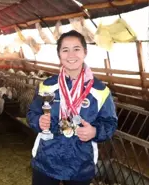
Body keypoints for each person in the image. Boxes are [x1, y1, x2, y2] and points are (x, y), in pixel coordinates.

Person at [27, 30, 118, 185]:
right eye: (65, 50)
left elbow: (110, 122)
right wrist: (38, 121)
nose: (71, 55)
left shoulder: (100, 90)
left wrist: (95, 131)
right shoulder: (46, 86)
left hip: (80, 163)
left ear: (85, 52)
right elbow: (32, 113)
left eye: (76, 49)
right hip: (46, 159)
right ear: (59, 55)